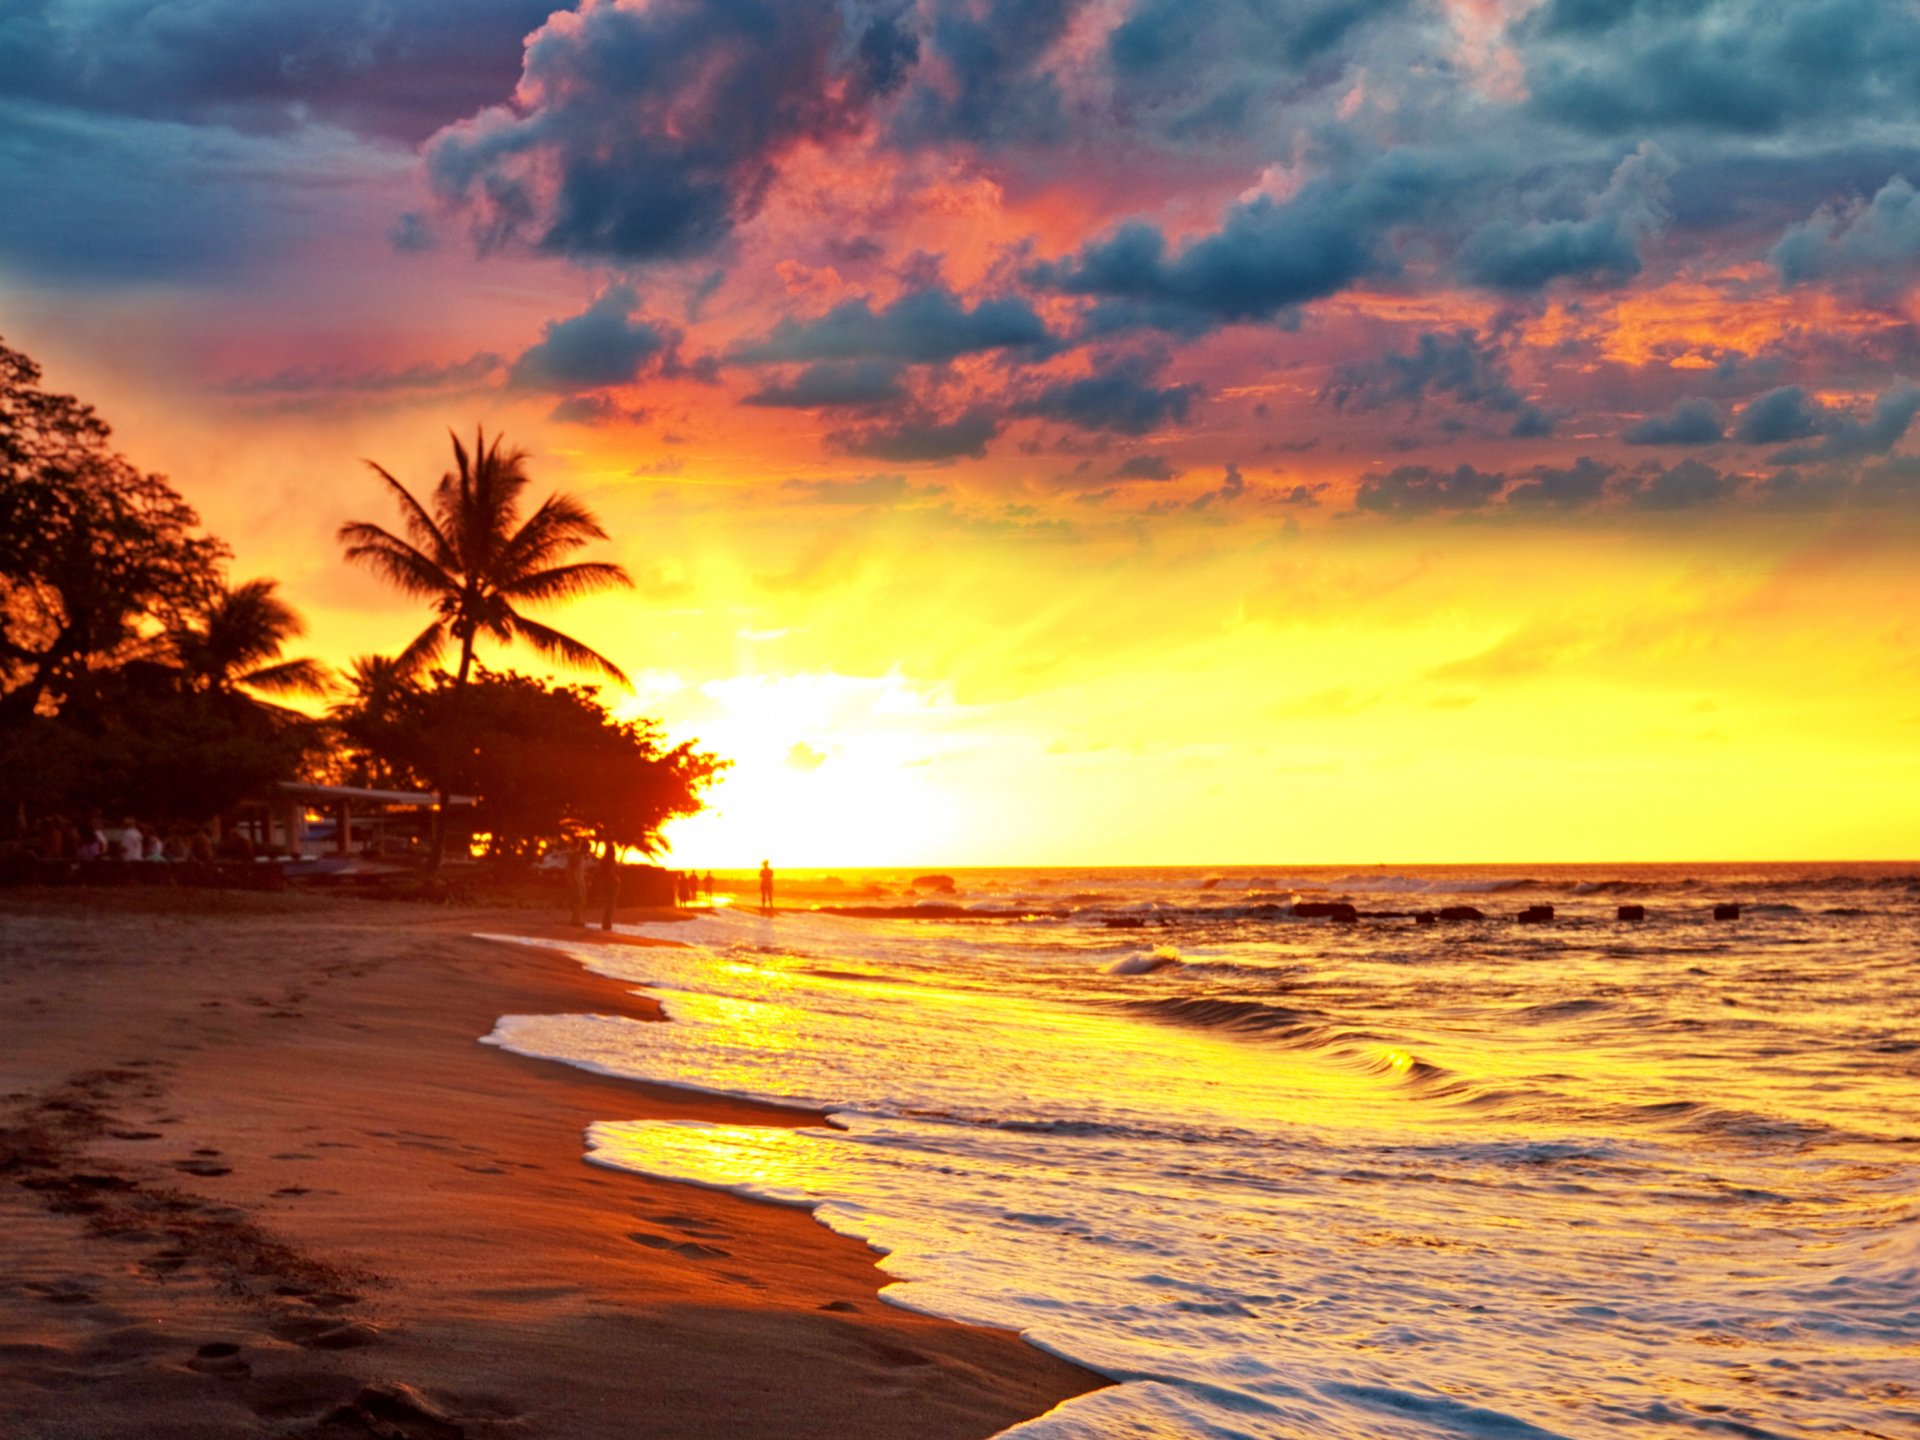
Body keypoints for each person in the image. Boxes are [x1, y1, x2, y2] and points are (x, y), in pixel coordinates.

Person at [565, 836, 589, 928]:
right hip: (577, 880)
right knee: (579, 900)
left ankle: (576, 919)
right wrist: (571, 880)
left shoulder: (580, 856)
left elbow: (578, 869)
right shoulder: (576, 856)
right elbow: (571, 869)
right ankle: (575, 919)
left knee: (580, 900)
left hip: (580, 880)